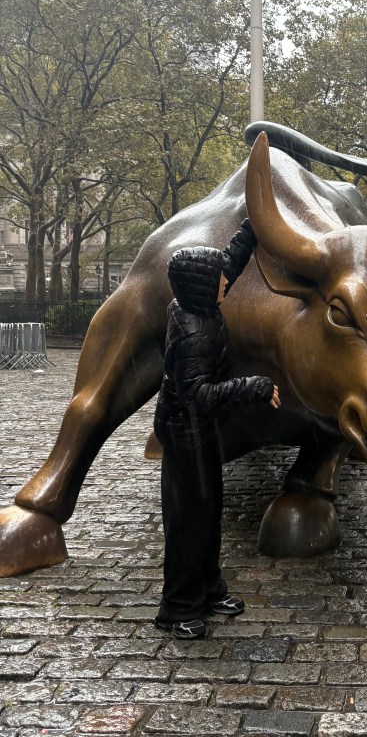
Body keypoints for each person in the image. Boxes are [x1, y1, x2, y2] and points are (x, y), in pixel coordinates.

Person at [153, 219, 280, 639]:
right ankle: (178, 608)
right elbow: (198, 395)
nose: (227, 280)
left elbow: (230, 261)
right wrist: (254, 386)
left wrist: (255, 223)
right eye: (220, 278)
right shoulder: (192, 331)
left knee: (207, 514)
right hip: (184, 434)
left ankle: (208, 591)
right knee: (187, 522)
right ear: (203, 285)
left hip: (199, 431)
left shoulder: (197, 300)